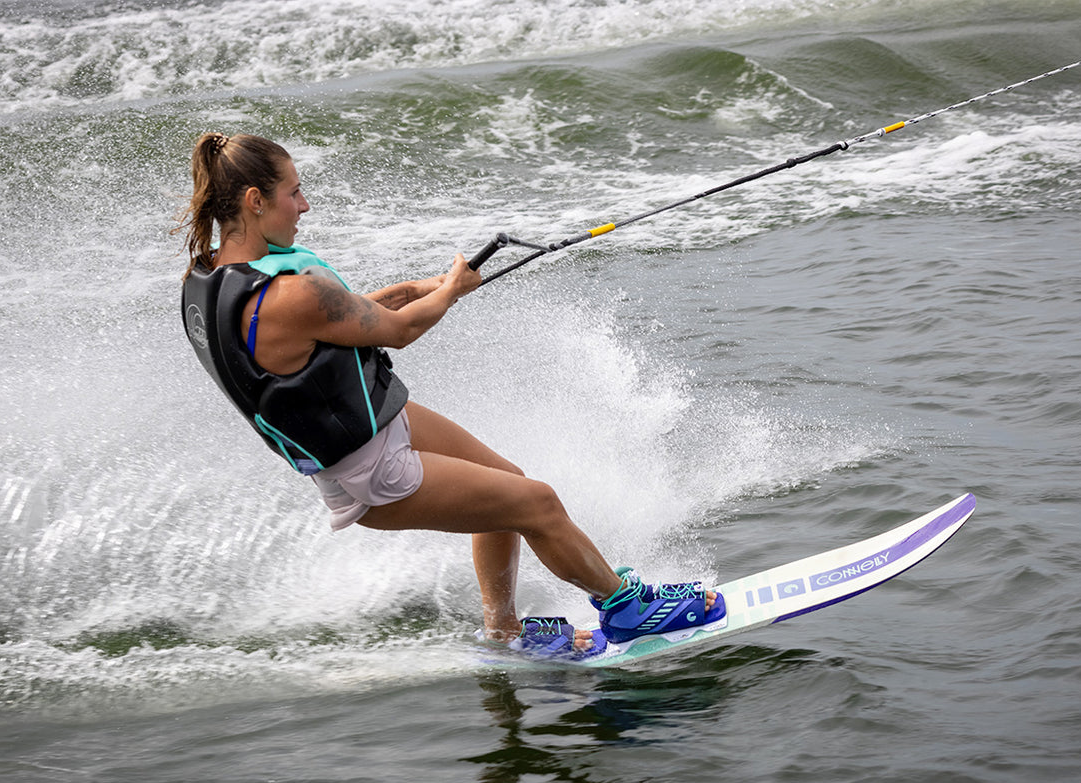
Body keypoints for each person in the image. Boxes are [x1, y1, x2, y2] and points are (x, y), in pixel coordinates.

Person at [175, 132, 724, 658]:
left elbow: (337, 319)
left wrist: (423, 289)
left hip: (378, 425)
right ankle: (624, 610)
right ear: (254, 200)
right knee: (537, 503)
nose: (305, 205)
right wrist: (452, 293)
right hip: (369, 469)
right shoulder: (294, 292)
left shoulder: (208, 281)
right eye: (294, 192)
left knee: (510, 486)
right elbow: (397, 332)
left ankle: (504, 631)